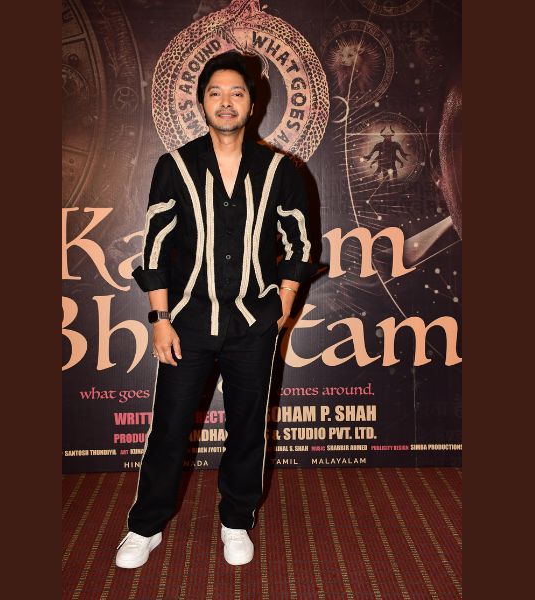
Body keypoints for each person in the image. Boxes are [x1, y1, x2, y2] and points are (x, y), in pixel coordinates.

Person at [116, 51, 317, 569]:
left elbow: (299, 243)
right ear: (202, 102)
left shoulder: (280, 170)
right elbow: (156, 248)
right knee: (168, 428)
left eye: (237, 93)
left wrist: (282, 305)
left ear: (253, 103)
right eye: (215, 93)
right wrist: (160, 320)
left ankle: (236, 520)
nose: (226, 102)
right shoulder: (175, 166)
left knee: (248, 428)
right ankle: (145, 526)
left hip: (253, 325)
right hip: (187, 323)